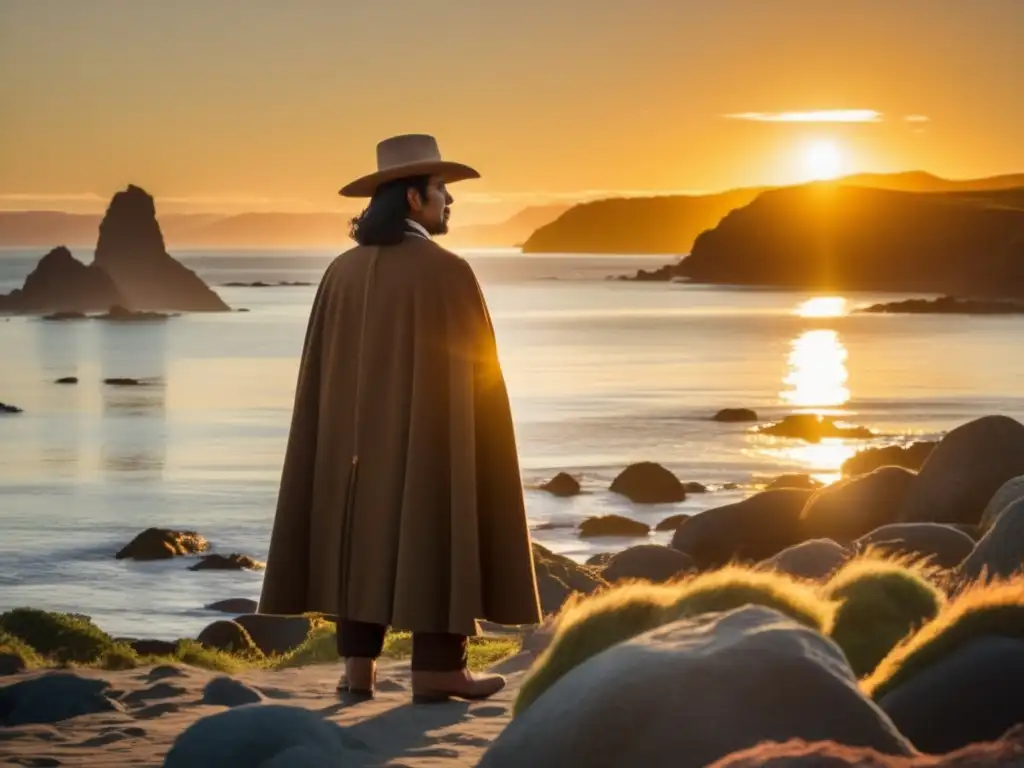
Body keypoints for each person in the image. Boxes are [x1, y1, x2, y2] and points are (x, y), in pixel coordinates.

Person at [258, 134, 542, 703]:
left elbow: (321, 377)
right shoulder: (447, 271)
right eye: (442, 191)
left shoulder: (338, 272)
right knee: (438, 524)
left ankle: (356, 672)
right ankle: (440, 670)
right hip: (429, 437)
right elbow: (477, 373)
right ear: (414, 199)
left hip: (347, 447)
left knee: (356, 531)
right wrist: (474, 436)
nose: (449, 203)